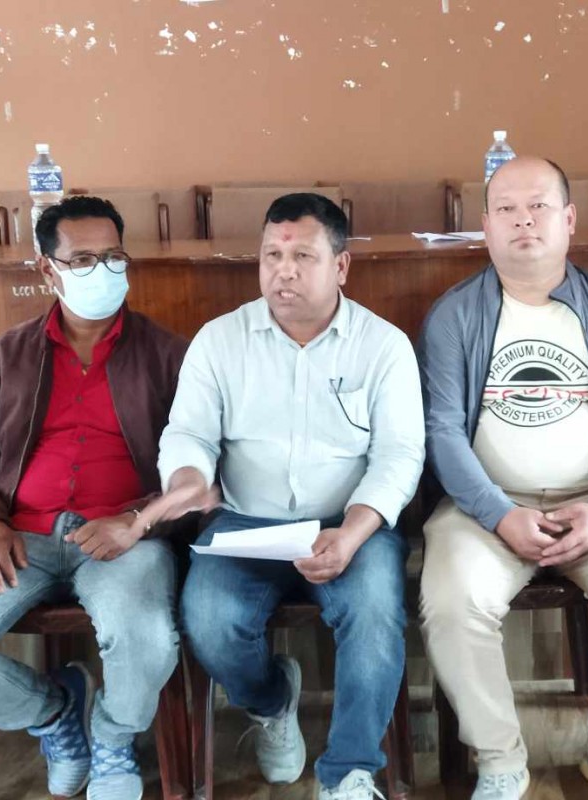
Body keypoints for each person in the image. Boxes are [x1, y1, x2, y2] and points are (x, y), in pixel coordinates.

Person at [0, 196, 190, 800]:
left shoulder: (169, 355)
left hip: (123, 539)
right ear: (46, 270)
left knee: (147, 639)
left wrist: (136, 520)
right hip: (18, 538)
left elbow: (197, 468)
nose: (102, 271)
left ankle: (112, 736)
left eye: (113, 257)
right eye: (82, 260)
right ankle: (54, 711)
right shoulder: (3, 356)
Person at [418, 156, 588, 800]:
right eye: (506, 209)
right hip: (484, 508)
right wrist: (497, 513)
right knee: (452, 602)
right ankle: (499, 760)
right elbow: (441, 430)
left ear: (569, 219)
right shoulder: (453, 316)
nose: (523, 221)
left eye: (538, 206)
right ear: (486, 226)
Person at [147, 193, 425, 800]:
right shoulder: (220, 341)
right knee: (210, 620)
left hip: (350, 522)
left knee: (375, 614)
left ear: (341, 266)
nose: (284, 271)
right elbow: (188, 432)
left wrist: (353, 532)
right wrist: (188, 477)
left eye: (303, 256)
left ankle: (349, 773)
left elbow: (399, 455)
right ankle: (273, 702)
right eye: (272, 255)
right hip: (246, 521)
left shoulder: (383, 346)